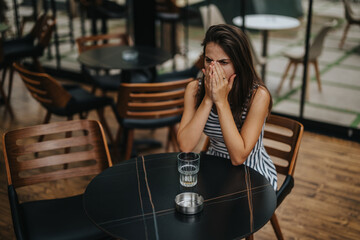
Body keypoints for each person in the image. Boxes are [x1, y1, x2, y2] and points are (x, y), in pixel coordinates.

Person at [177, 24, 277, 190]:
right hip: (214, 164)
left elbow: (238, 157)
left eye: (223, 62)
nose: (213, 69)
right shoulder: (194, 89)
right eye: (209, 60)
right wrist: (208, 99)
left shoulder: (258, 96)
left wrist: (222, 102)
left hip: (252, 171)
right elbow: (186, 146)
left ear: (239, 63)